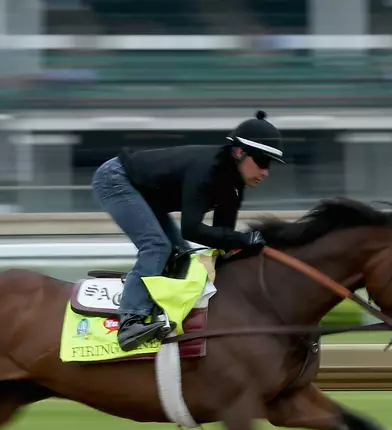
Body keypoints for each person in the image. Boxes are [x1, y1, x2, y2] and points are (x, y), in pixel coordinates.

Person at [91, 110, 285, 351]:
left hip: (147, 193)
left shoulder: (234, 185)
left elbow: (222, 239)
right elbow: (191, 229)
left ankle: (160, 314)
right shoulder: (207, 170)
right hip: (116, 178)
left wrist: (251, 247)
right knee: (157, 246)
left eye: (270, 165)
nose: (265, 172)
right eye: (262, 162)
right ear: (239, 152)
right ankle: (130, 321)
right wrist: (246, 238)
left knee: (181, 255)